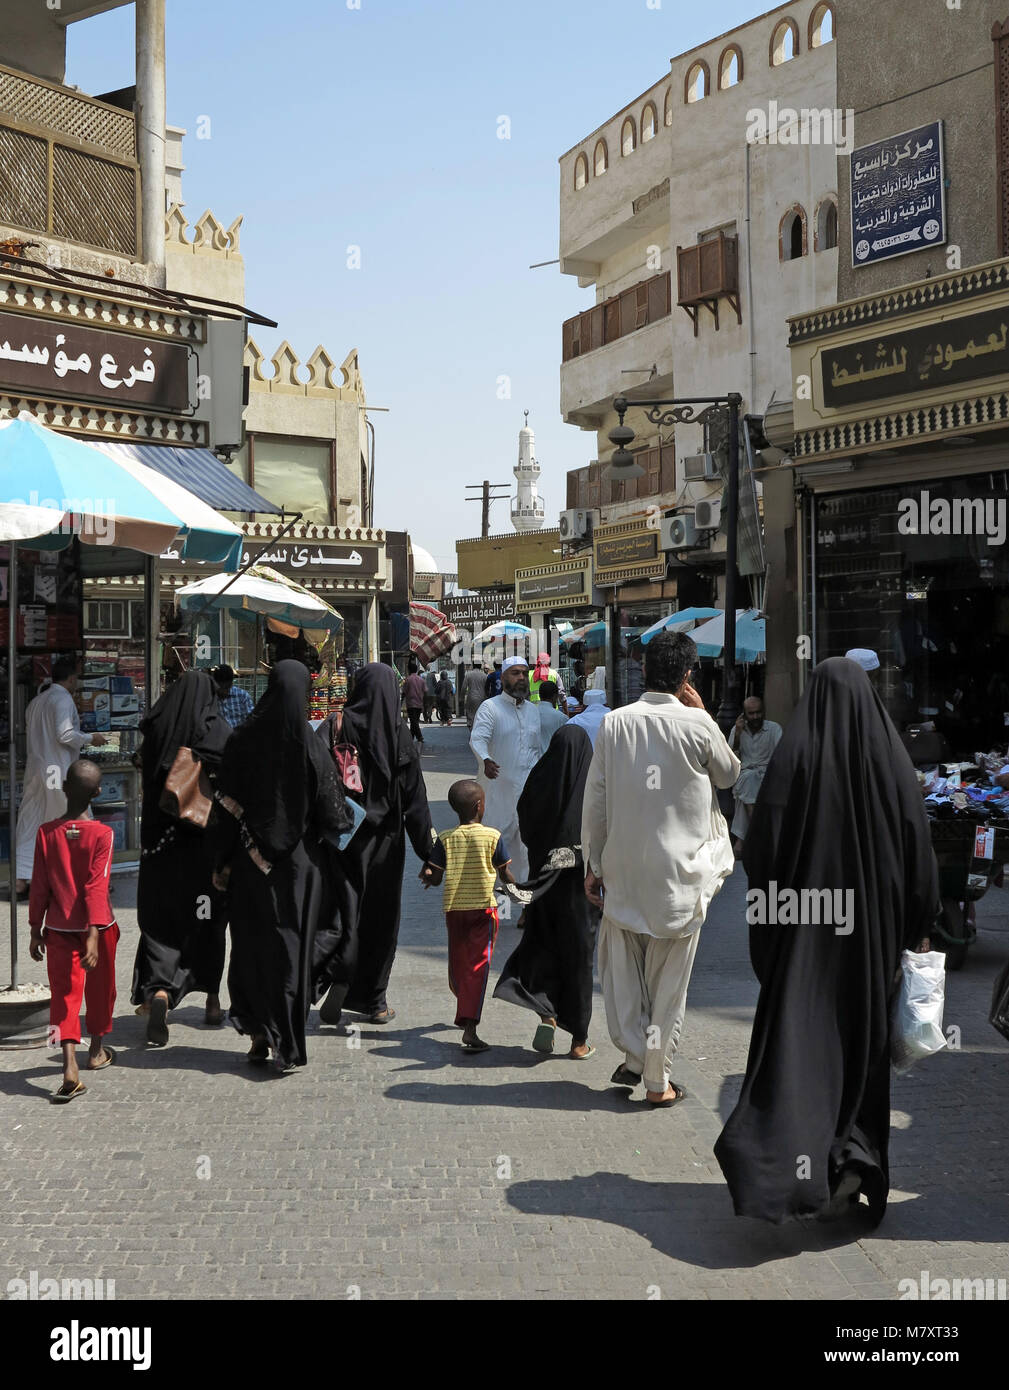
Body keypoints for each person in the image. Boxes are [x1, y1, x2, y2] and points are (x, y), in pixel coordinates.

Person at [713, 659, 940, 1226]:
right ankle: (857, 1155)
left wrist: (770, 923)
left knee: (804, 1051)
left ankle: (794, 1165)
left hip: (804, 940)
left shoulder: (795, 758)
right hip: (872, 944)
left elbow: (762, 853)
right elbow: (919, 850)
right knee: (862, 1049)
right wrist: (917, 925)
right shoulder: (892, 763)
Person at [582, 632, 740, 1107]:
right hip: (681, 876)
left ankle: (635, 1055)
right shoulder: (697, 724)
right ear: (687, 676)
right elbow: (730, 774)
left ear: (643, 671)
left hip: (625, 868)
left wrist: (593, 862)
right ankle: (656, 1080)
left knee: (623, 972)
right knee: (668, 984)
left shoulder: (615, 723)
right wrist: (705, 714)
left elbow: (597, 799)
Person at [211, 661, 352, 1072]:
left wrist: (219, 863)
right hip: (299, 870)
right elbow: (333, 810)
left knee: (253, 946)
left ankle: (258, 1031)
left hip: (249, 866)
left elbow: (223, 808)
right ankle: (286, 1041)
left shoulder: (241, 740)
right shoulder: (309, 744)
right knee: (291, 948)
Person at [316, 662, 436, 1025]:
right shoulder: (399, 735)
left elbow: (314, 778)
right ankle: (372, 1000)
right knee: (380, 919)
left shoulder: (336, 725)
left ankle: (331, 975)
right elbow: (416, 802)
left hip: (340, 839)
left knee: (337, 911)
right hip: (385, 845)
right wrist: (431, 856)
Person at [131, 670, 232, 1043]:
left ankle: (159, 991)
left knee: (161, 922)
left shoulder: (158, 729)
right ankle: (212, 999)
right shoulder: (215, 731)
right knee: (206, 920)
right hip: (201, 852)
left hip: (160, 849)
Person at [494, 724, 597, 1059]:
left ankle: (547, 1015)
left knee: (542, 945)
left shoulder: (540, 778)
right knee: (579, 957)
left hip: (544, 883)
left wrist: (544, 853)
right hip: (581, 889)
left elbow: (526, 818)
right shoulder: (593, 786)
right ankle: (579, 1041)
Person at [28, 760, 119, 1103]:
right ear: (97, 793)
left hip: (58, 929)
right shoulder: (103, 835)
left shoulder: (45, 833)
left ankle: (70, 1067)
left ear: (64, 788)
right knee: (101, 991)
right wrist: (93, 931)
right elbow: (97, 885)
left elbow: (39, 887)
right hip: (99, 928)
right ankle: (95, 1052)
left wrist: (36, 927)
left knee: (63, 997)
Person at [420, 779, 516, 1051]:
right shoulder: (493, 836)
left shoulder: (446, 839)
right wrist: (520, 892)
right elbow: (504, 874)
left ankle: (464, 1003)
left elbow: (436, 877)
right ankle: (470, 1027)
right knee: (478, 965)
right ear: (479, 806)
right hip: (483, 910)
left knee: (460, 962)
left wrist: (428, 874)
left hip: (454, 910)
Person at [14, 656, 106, 897]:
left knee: (31, 822)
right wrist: (90, 738)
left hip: (36, 770)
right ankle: (84, 876)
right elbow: (65, 734)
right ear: (71, 678)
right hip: (58, 770)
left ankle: (22, 880)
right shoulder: (62, 699)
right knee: (72, 820)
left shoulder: (36, 701)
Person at [469, 655, 542, 882]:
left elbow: (536, 749)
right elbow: (477, 739)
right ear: (504, 678)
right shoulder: (490, 708)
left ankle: (523, 892)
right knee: (497, 840)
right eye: (515, 673)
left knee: (527, 844)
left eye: (524, 673)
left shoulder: (533, 711)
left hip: (528, 792)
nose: (521, 677)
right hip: (498, 792)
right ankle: (495, 894)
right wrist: (486, 759)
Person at [729, 697, 782, 850]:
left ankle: (742, 841)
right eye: (751, 714)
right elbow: (730, 760)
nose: (755, 717)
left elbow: (780, 755)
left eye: (759, 712)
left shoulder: (774, 729)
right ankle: (757, 832)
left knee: (746, 789)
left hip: (768, 774)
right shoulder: (737, 730)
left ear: (764, 711)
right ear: (744, 714)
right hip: (746, 774)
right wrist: (738, 736)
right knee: (748, 779)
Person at [211, 663, 255, 729]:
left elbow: (251, 721)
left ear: (231, 683)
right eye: (220, 688)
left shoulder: (243, 696)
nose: (223, 691)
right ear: (215, 684)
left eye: (227, 687)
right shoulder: (209, 698)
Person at [535, 679, 567, 753]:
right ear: (555, 696)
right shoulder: (562, 718)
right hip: (554, 761)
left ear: (539, 696)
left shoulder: (530, 714)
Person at [402, 658, 426, 745]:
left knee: (414, 721)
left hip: (411, 704)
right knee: (414, 721)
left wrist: (401, 702)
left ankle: (419, 736)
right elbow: (425, 691)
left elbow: (404, 692)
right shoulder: (421, 680)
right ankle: (411, 737)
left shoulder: (407, 680)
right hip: (419, 704)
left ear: (409, 670)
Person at [461, 661, 488, 730]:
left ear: (473, 665)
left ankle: (472, 730)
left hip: (471, 698)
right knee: (480, 715)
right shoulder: (484, 675)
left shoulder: (468, 674)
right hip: (482, 699)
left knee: (471, 715)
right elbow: (487, 688)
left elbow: (464, 687)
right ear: (480, 666)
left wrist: (461, 698)